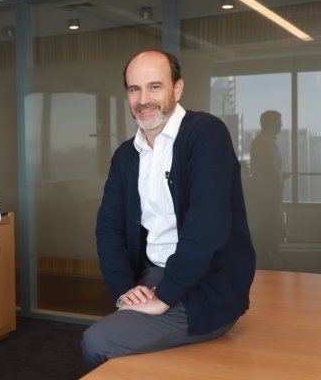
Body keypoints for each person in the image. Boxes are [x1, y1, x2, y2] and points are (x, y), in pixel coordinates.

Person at [81, 49, 256, 370]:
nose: (143, 99)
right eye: (134, 89)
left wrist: (164, 297)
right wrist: (124, 290)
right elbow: (108, 229)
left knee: (99, 342)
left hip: (206, 286)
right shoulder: (126, 155)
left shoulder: (205, 133)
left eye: (154, 87)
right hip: (151, 277)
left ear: (177, 89)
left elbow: (207, 227)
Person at [249, 110, 288, 268]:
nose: (281, 124)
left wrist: (280, 175)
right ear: (271, 123)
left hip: (268, 193)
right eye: (279, 121)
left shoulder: (263, 142)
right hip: (268, 195)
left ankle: (270, 260)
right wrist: (280, 176)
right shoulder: (264, 143)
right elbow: (269, 171)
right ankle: (268, 263)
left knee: (269, 226)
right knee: (268, 227)